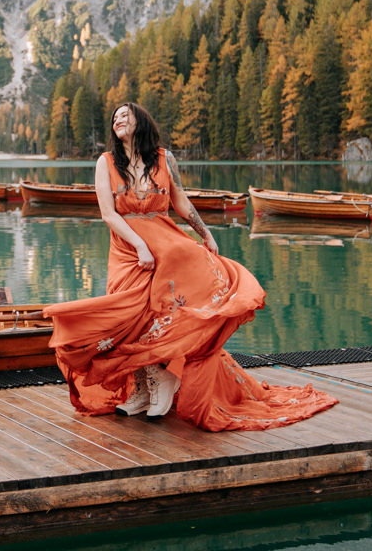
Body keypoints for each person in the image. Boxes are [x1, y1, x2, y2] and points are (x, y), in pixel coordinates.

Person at [43, 102, 338, 431]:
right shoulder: (106, 162)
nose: (118, 121)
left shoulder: (164, 159)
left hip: (165, 242)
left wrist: (205, 232)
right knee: (127, 316)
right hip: (127, 247)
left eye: (125, 115)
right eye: (114, 118)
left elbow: (180, 201)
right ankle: (143, 386)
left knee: (158, 309)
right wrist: (139, 244)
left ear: (141, 120)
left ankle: (159, 377)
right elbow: (108, 214)